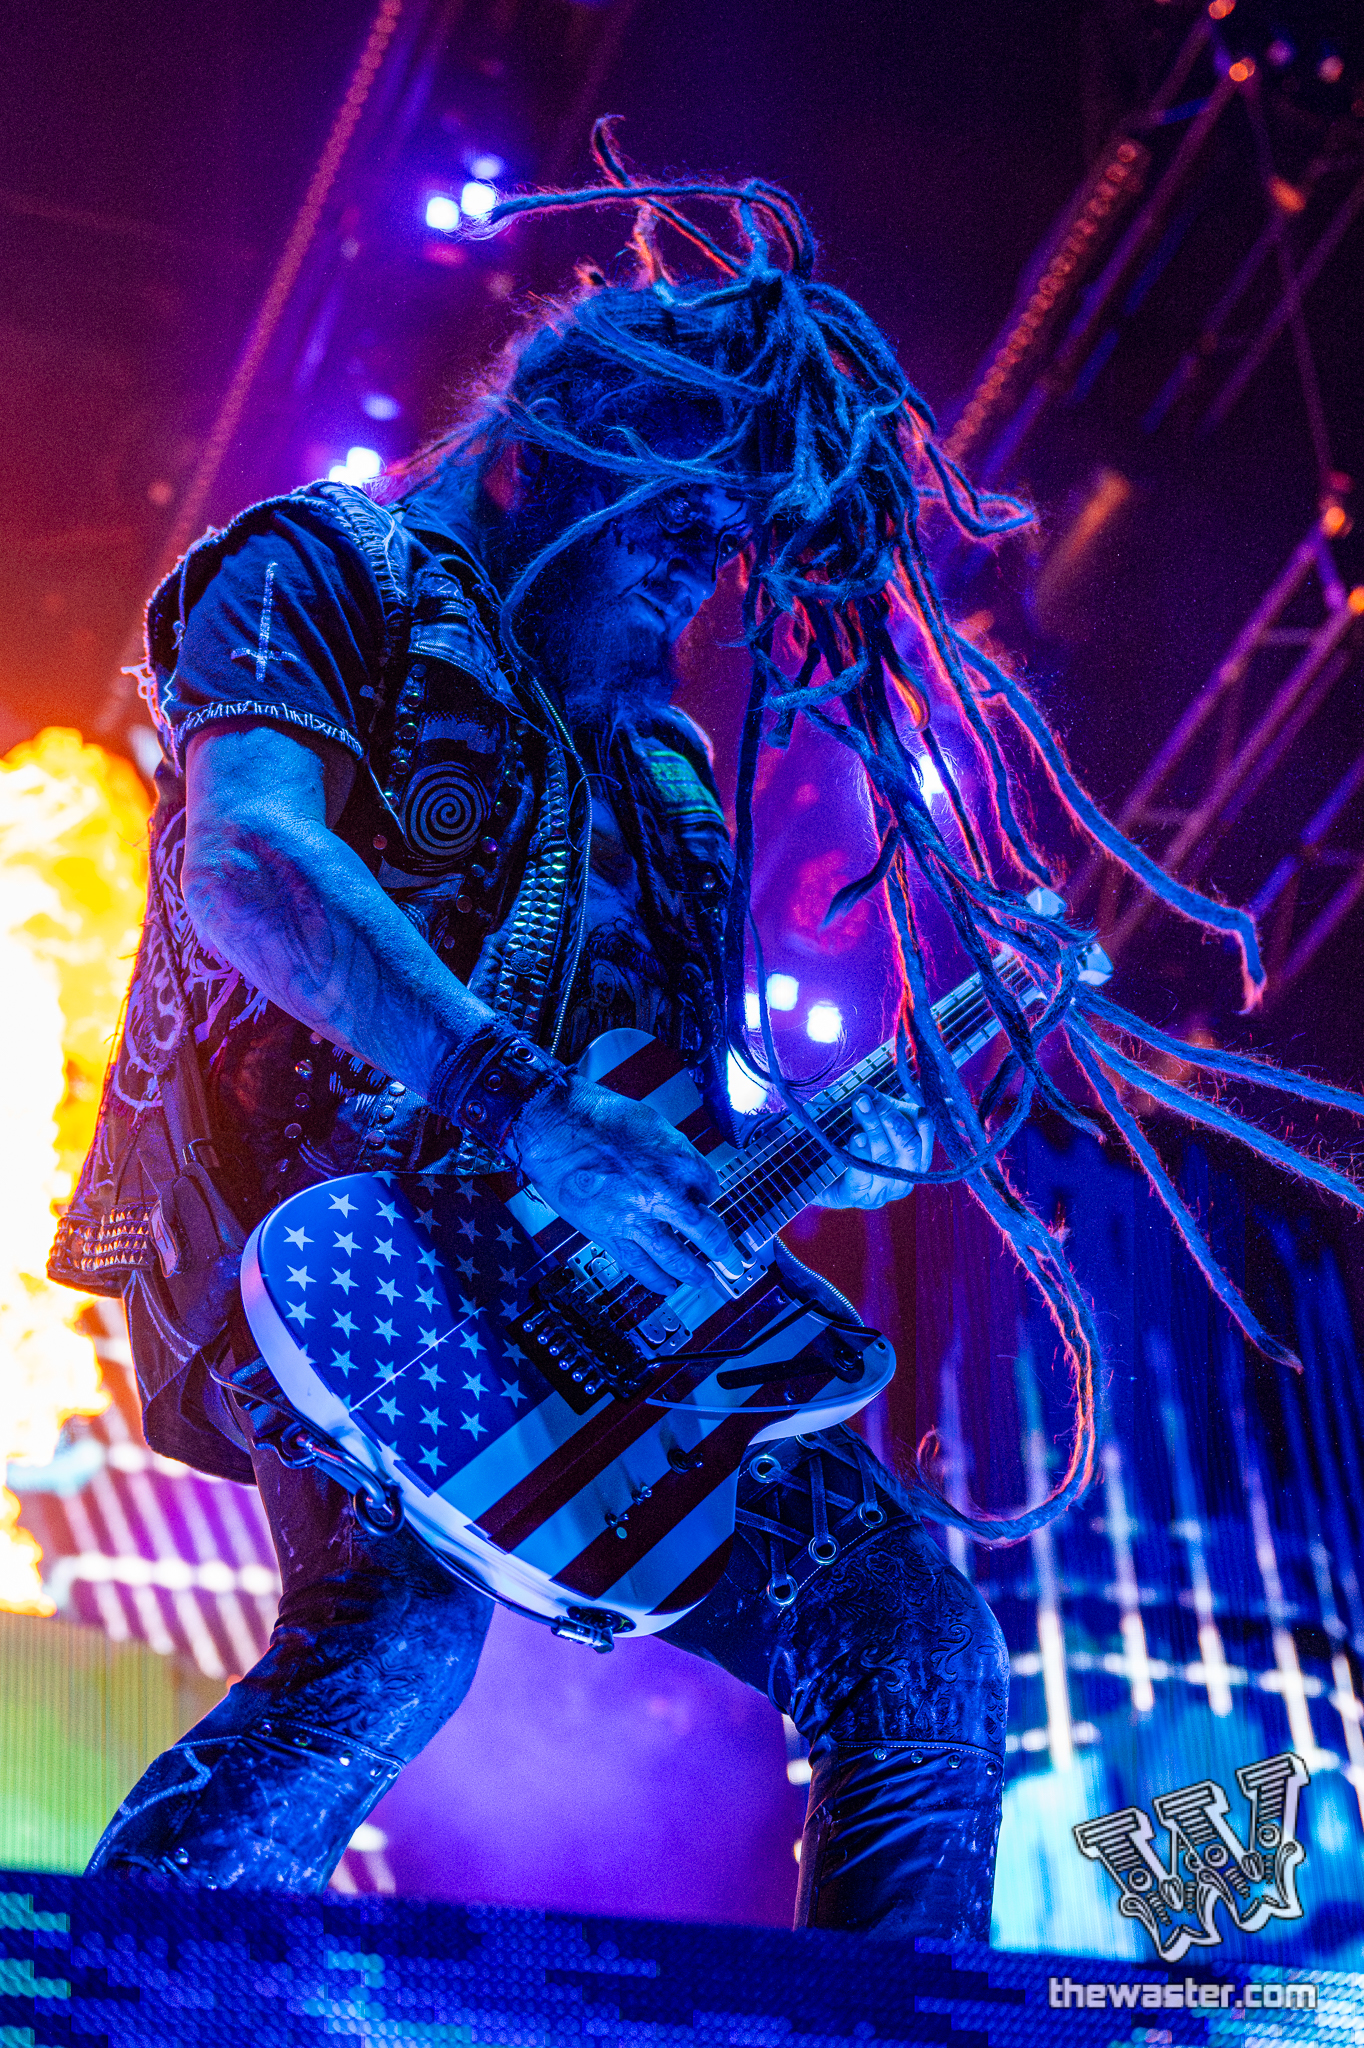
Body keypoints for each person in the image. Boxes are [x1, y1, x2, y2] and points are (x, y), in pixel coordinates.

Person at [53, 136, 1364, 1928]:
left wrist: (847, 1141)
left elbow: (668, 1118)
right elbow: (252, 866)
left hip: (558, 1299)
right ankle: (114, 2003)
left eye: (720, 551)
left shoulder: (666, 765)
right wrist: (531, 1114)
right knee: (394, 1636)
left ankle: (891, 2039)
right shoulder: (319, 564)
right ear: (533, 466)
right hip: (316, 1230)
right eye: (666, 535)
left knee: (913, 1631)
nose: (698, 586)